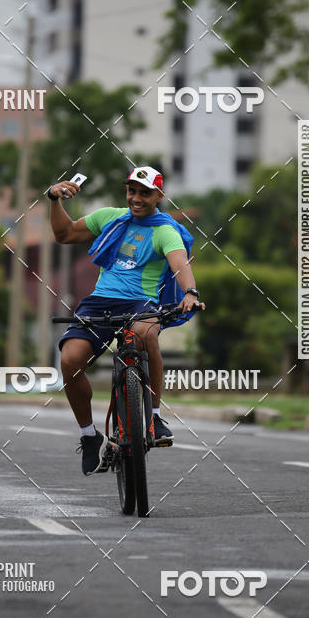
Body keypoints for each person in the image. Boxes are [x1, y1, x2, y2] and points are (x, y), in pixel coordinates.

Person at [48, 166, 205, 475]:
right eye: (132, 190)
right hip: (100, 301)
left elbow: (179, 263)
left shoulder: (165, 230)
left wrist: (190, 291)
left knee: (147, 334)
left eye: (145, 193)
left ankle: (155, 417)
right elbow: (64, 234)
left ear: (158, 196)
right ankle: (89, 436)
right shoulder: (110, 218)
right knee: (69, 360)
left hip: (140, 302)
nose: (136, 198)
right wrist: (54, 199)